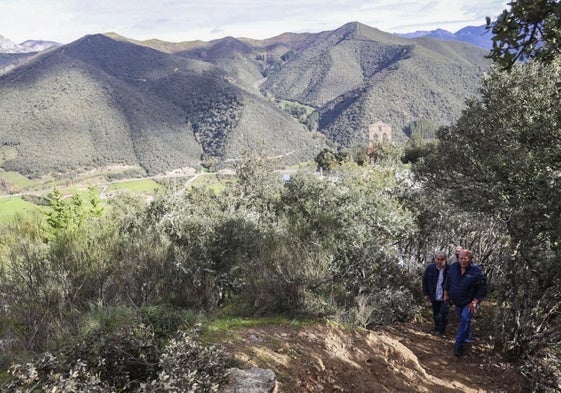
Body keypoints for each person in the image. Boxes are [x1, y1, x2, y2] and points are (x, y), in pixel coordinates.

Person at [444, 249, 487, 357]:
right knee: (463, 320)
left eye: (465, 258)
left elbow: (482, 289)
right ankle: (467, 339)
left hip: (470, 302)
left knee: (464, 319)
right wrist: (446, 293)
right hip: (457, 301)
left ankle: (458, 344)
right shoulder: (454, 267)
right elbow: (448, 280)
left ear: (470, 258)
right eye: (461, 258)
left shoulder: (477, 271)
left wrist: (475, 301)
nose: (463, 261)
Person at [422, 251, 450, 337]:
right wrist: (426, 294)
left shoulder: (450, 269)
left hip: (445, 296)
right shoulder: (430, 268)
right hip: (434, 294)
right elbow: (425, 281)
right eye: (438, 259)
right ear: (435, 259)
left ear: (445, 260)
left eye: (442, 259)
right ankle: (437, 327)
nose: (439, 261)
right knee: (436, 312)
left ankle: (442, 331)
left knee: (444, 312)